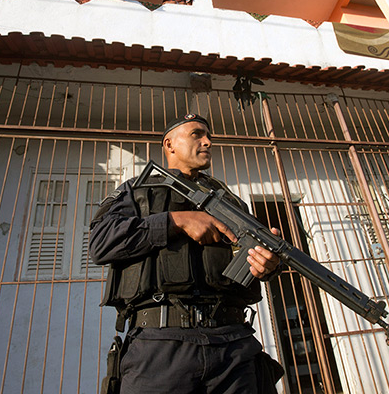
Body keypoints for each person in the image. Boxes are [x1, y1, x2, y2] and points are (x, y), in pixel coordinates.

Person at [89, 114, 282, 393]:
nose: (208, 141)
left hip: (233, 345)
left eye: (209, 136)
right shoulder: (136, 192)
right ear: (170, 145)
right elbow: (100, 243)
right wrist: (175, 221)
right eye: (196, 134)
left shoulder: (230, 200)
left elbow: (253, 259)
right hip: (160, 347)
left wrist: (267, 263)